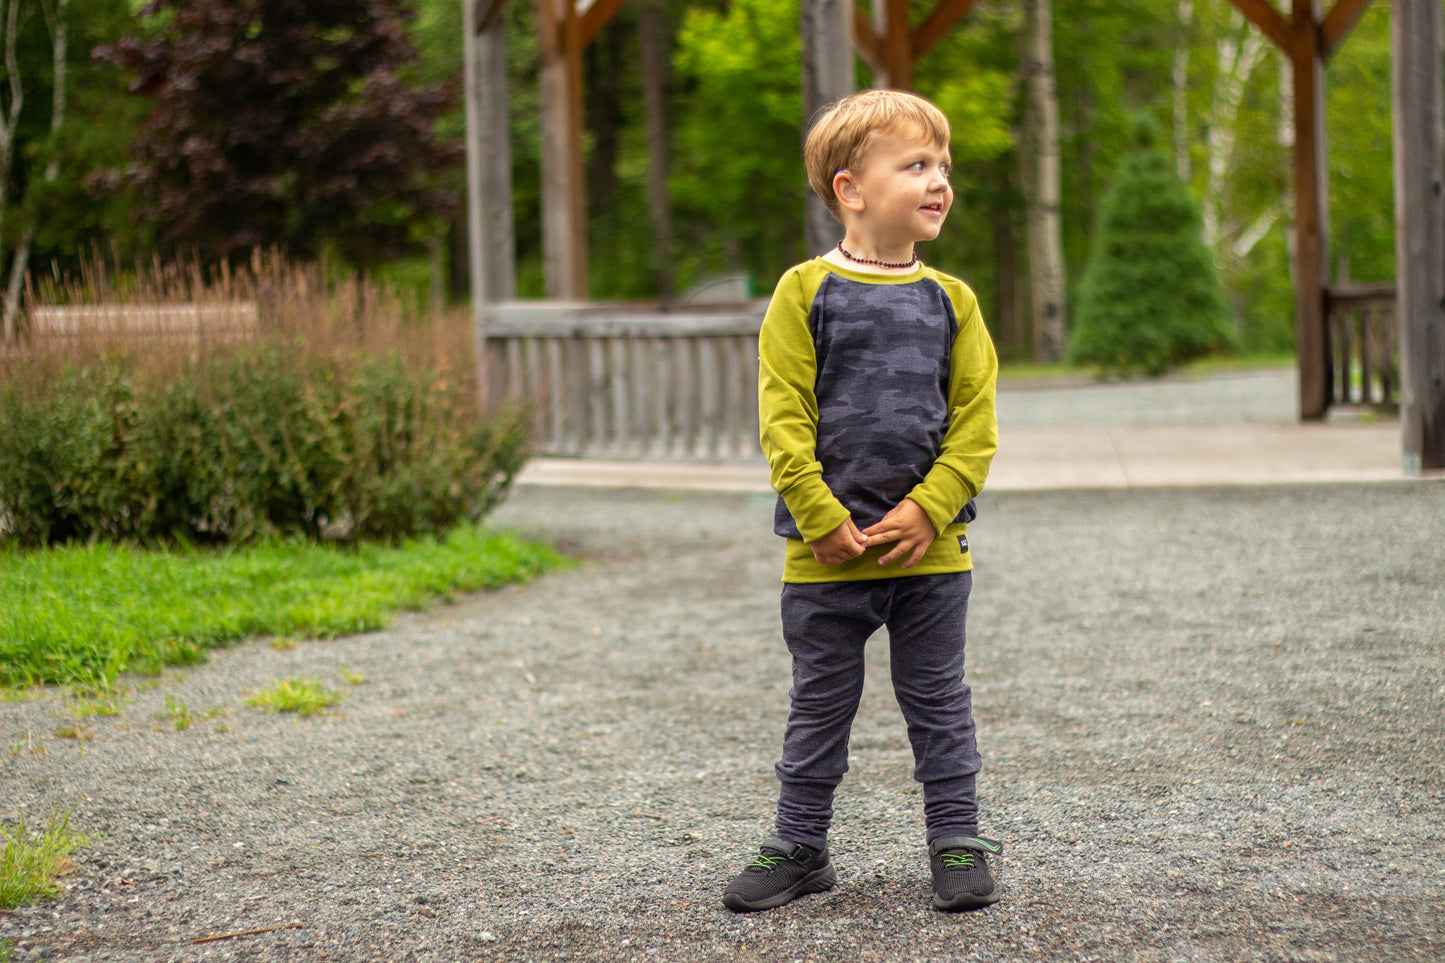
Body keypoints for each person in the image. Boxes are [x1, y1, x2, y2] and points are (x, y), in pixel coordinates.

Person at [722, 88, 1001, 914]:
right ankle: (799, 844)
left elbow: (975, 426)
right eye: (915, 165)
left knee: (939, 704)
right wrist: (820, 518)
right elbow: (783, 420)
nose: (938, 180)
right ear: (850, 189)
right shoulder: (803, 292)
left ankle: (955, 837)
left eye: (943, 166)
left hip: (932, 553)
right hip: (824, 555)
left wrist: (930, 508)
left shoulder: (953, 301)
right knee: (818, 708)